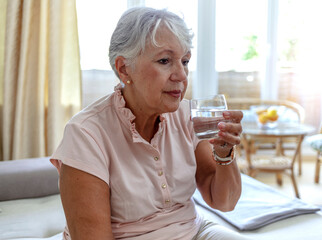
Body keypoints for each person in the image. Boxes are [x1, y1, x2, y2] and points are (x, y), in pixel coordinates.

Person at [50, 7, 249, 240]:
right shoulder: (86, 133)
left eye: (184, 61)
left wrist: (224, 153)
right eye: (165, 61)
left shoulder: (186, 116)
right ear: (124, 68)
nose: (182, 75)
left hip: (193, 231)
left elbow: (224, 202)